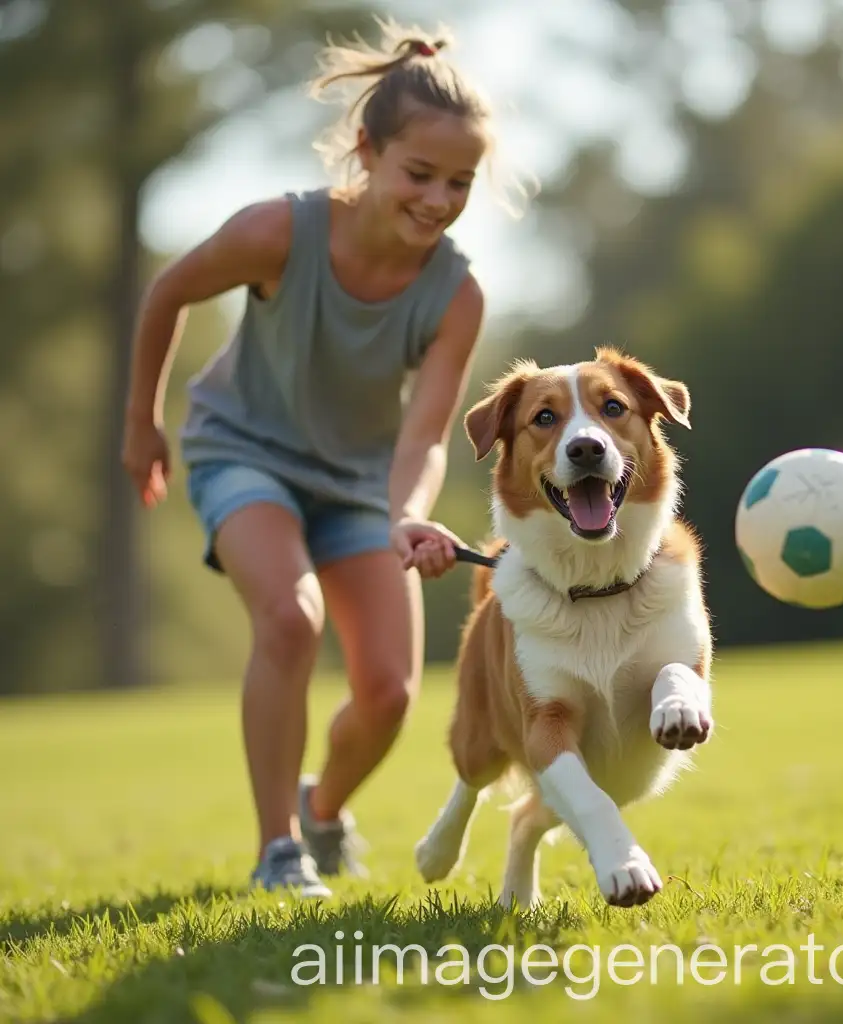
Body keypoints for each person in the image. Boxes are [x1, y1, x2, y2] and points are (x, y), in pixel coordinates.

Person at [121, 19, 506, 897]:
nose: (439, 200)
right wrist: (141, 423)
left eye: (460, 182)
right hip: (243, 453)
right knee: (290, 622)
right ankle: (277, 850)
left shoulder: (458, 293)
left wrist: (406, 516)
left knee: (388, 697)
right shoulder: (277, 233)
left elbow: (425, 435)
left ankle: (322, 808)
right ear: (366, 152)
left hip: (362, 485)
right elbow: (168, 291)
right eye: (420, 174)